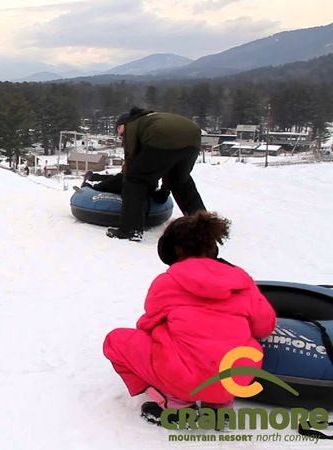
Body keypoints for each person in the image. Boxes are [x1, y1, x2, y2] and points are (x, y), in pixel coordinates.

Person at [103, 212, 276, 425]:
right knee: (238, 344)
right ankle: (219, 407)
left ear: (175, 251)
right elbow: (265, 326)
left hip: (185, 381)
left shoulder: (168, 281)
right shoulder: (242, 281)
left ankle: (175, 403)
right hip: (235, 380)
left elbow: (146, 325)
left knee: (116, 341)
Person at [107, 107, 206, 241]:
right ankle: (204, 226)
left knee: (134, 180)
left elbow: (132, 160)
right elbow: (162, 165)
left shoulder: (131, 125)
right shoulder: (150, 119)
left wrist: (128, 177)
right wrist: (164, 191)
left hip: (163, 137)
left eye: (118, 130)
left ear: (123, 124)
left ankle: (131, 229)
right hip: (193, 137)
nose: (120, 135)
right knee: (181, 181)